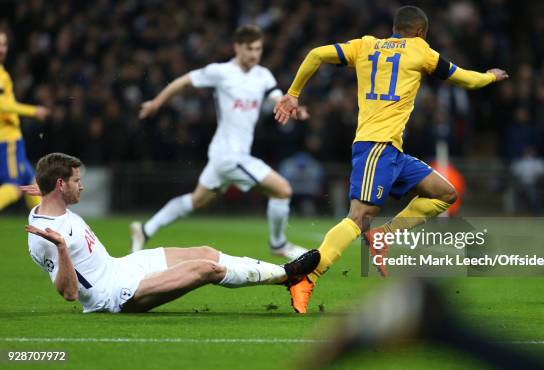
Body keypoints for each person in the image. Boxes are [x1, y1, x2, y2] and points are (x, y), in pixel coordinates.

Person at [274, 5, 509, 313]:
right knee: (358, 216)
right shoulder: (421, 51)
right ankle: (308, 276)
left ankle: (383, 236)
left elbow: (317, 54)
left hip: (391, 150)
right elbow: (467, 80)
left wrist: (293, 93)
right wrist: (490, 77)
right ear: (421, 31)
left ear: (395, 27)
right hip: (376, 146)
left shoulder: (365, 44)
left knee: (445, 193)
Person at [24, 152, 319, 313]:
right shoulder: (45, 236)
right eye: (76, 181)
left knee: (204, 251)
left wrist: (46, 188)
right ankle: (286, 274)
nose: (82, 186)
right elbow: (70, 294)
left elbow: (52, 194)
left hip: (121, 266)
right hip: (114, 294)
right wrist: (62, 248)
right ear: (61, 185)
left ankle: (287, 274)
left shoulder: (52, 204)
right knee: (207, 269)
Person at [132, 25, 309, 260]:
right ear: (237, 47)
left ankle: (145, 230)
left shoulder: (263, 75)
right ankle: (278, 244)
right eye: (249, 49)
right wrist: (156, 103)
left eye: (258, 49)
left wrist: (289, 107)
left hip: (225, 156)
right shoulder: (221, 72)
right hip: (230, 156)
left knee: (196, 201)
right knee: (283, 190)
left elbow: (275, 95)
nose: (254, 54)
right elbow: (184, 81)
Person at [0, 29, 50, 211]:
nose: (1, 48)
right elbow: (2, 105)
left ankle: (44, 227)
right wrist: (33, 110)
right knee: (14, 186)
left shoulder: (3, 72)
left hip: (13, 139)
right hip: (7, 139)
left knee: (33, 184)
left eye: (4, 44)